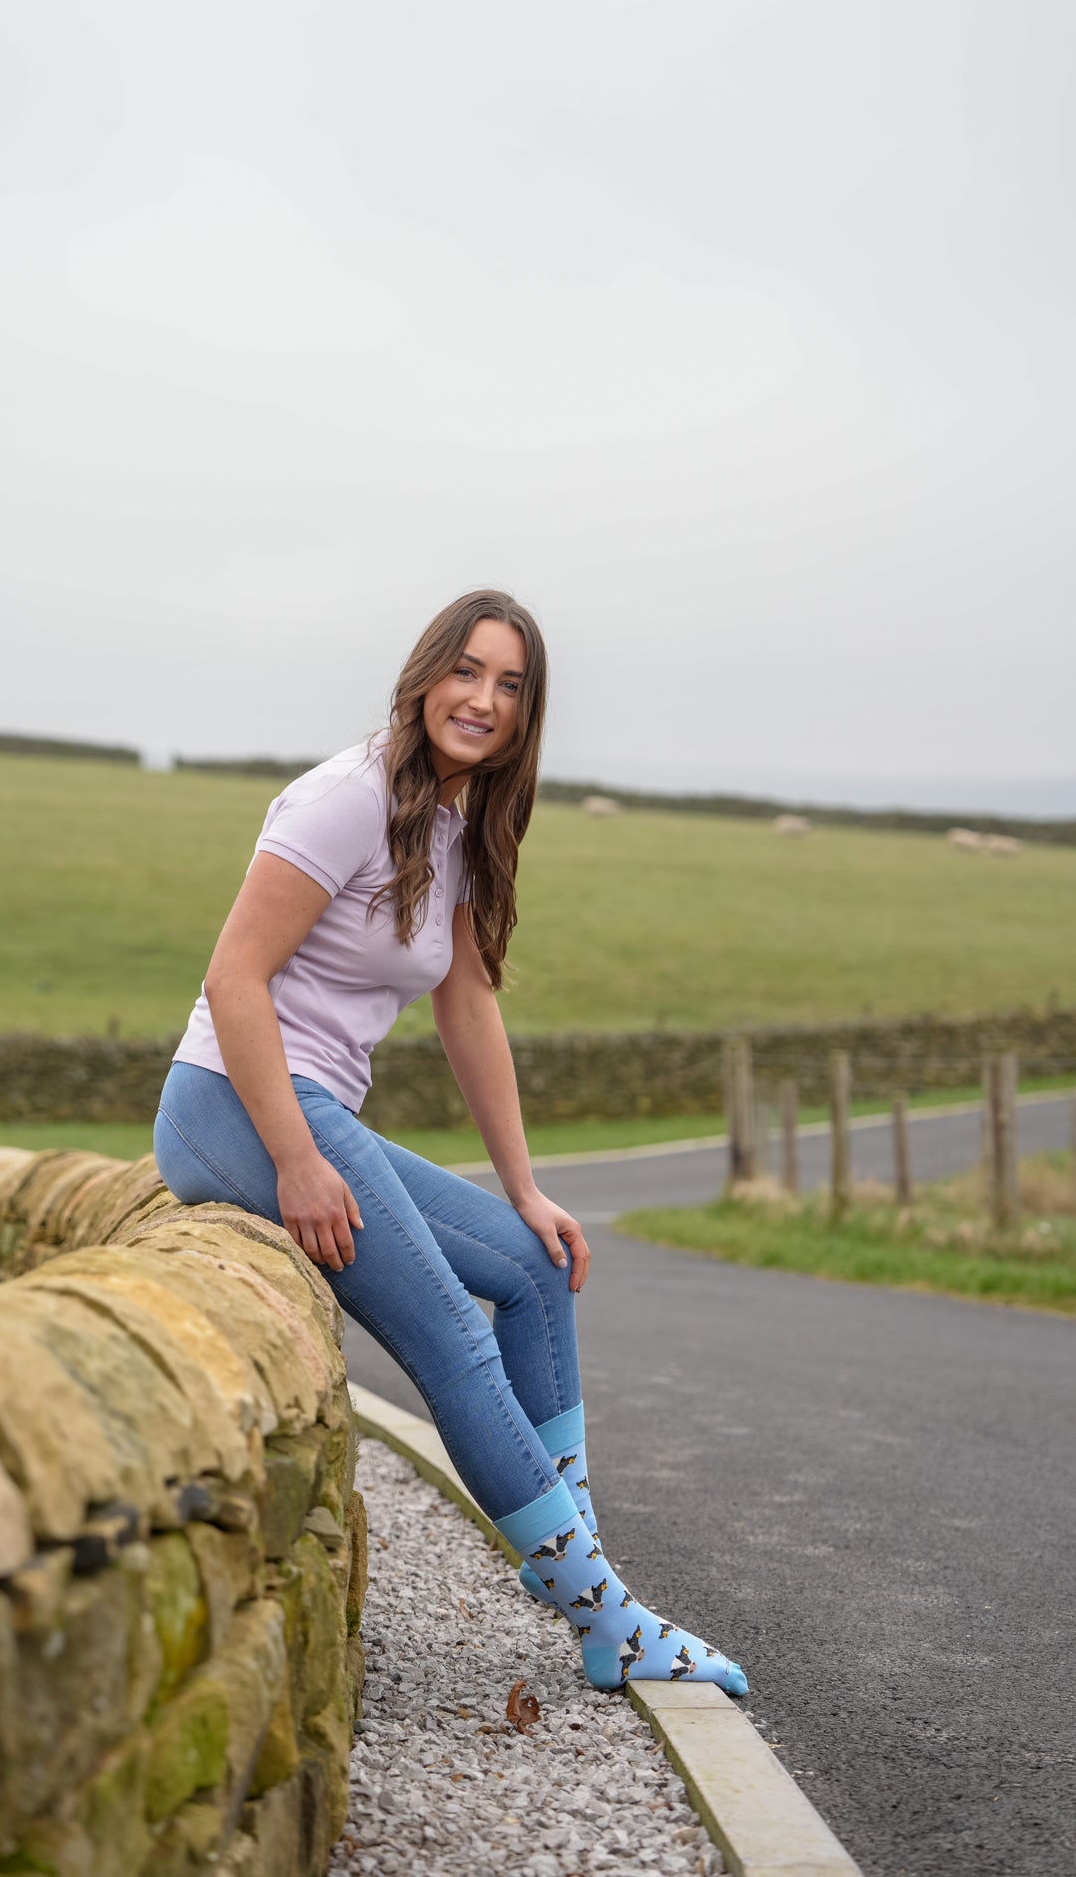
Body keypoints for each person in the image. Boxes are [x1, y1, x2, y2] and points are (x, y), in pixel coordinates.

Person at [154, 590, 746, 1697]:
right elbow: (233, 977)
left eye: (510, 683)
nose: (484, 698)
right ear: (426, 674)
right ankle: (605, 1610)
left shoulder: (457, 818)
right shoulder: (345, 798)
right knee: (452, 1345)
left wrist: (523, 1186)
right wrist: (294, 1157)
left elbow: (468, 1001)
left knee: (532, 1267)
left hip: (314, 1105)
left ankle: (580, 1562)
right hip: (231, 1104)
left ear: (527, 711)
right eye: (467, 671)